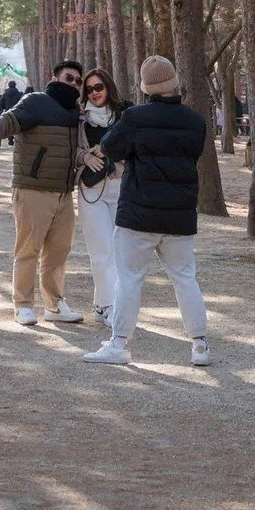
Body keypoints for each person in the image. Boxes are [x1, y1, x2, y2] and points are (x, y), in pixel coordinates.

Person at [83, 55, 211, 367]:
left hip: (137, 214)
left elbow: (111, 148)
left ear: (146, 86)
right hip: (179, 214)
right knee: (185, 279)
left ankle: (119, 344)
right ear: (174, 82)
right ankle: (200, 345)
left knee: (129, 279)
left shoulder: (135, 118)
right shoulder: (195, 121)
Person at [0, 59, 85, 326]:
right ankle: (23, 304)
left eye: (77, 80)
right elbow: (10, 120)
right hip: (33, 189)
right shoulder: (36, 102)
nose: (73, 83)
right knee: (28, 249)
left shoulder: (76, 111)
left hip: (64, 192)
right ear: (55, 77)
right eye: (68, 78)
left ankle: (54, 304)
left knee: (59, 251)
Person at [76, 68, 128, 327]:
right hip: (91, 190)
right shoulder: (79, 119)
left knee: (118, 250)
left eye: (99, 87)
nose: (94, 92)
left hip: (121, 188)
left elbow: (136, 148)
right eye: (89, 89)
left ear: (108, 87)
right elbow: (71, 151)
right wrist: (85, 157)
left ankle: (101, 302)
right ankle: (110, 306)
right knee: (100, 250)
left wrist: (111, 154)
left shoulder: (125, 115)